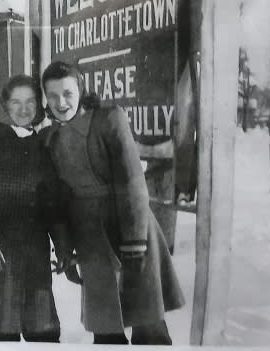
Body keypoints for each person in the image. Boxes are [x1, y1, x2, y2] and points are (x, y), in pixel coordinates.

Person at [40, 61, 185, 345]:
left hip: (130, 228)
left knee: (148, 328)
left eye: (68, 93)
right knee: (105, 330)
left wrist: (135, 242)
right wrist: (66, 248)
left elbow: (132, 180)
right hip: (90, 238)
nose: (61, 102)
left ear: (80, 90)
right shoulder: (51, 138)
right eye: (53, 95)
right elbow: (62, 199)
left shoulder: (108, 119)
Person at [0, 74, 68, 342]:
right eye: (16, 102)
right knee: (3, 332)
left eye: (30, 102)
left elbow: (51, 201)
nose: (23, 109)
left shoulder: (42, 144)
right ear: (5, 105)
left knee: (44, 332)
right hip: (0, 253)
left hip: (35, 253)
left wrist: (63, 245)